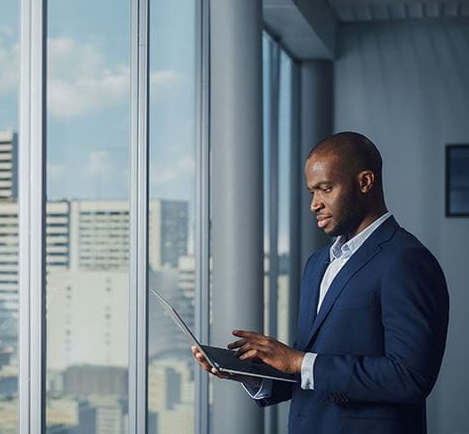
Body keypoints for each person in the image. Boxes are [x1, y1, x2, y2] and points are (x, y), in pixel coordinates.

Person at [192, 132, 449, 434]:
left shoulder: (406, 260)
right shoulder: (317, 264)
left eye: (325, 189)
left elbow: (409, 378)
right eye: (312, 192)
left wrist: (299, 361)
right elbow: (313, 373)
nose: (315, 204)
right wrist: (251, 375)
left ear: (365, 182)